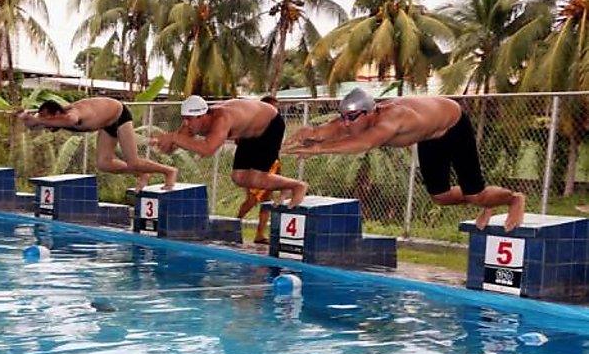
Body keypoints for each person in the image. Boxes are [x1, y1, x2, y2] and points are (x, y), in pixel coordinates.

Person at [284, 88, 525, 231]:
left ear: (369, 113)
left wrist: (318, 149)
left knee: (475, 194)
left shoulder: (392, 119)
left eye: (352, 117)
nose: (347, 122)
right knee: (440, 196)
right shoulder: (359, 118)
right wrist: (311, 133)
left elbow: (364, 144)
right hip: (431, 134)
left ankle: (513, 199)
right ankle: (485, 201)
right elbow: (331, 128)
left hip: (453, 125)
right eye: (344, 116)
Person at [152, 95, 307, 208]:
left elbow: (208, 150)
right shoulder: (191, 122)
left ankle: (298, 186)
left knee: (258, 177)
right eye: (184, 119)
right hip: (248, 134)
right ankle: (284, 186)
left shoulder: (222, 119)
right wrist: (162, 143)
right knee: (239, 177)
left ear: (202, 116)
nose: (186, 124)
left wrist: (174, 138)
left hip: (270, 126)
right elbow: (174, 145)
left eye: (189, 120)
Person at [15, 97, 177, 190]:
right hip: (106, 125)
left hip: (120, 116)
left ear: (56, 114)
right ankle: (142, 173)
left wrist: (38, 119)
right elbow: (33, 125)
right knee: (104, 163)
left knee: (133, 161)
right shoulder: (57, 117)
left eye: (49, 122)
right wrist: (24, 117)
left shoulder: (72, 114)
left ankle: (169, 172)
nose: (49, 127)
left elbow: (71, 120)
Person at [237, 95, 282, 244]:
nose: (275, 111)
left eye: (276, 108)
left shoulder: (275, 124)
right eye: (272, 108)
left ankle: (259, 234)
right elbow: (239, 140)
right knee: (252, 199)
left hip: (272, 165)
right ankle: (233, 224)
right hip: (254, 166)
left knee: (266, 201)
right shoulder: (253, 123)